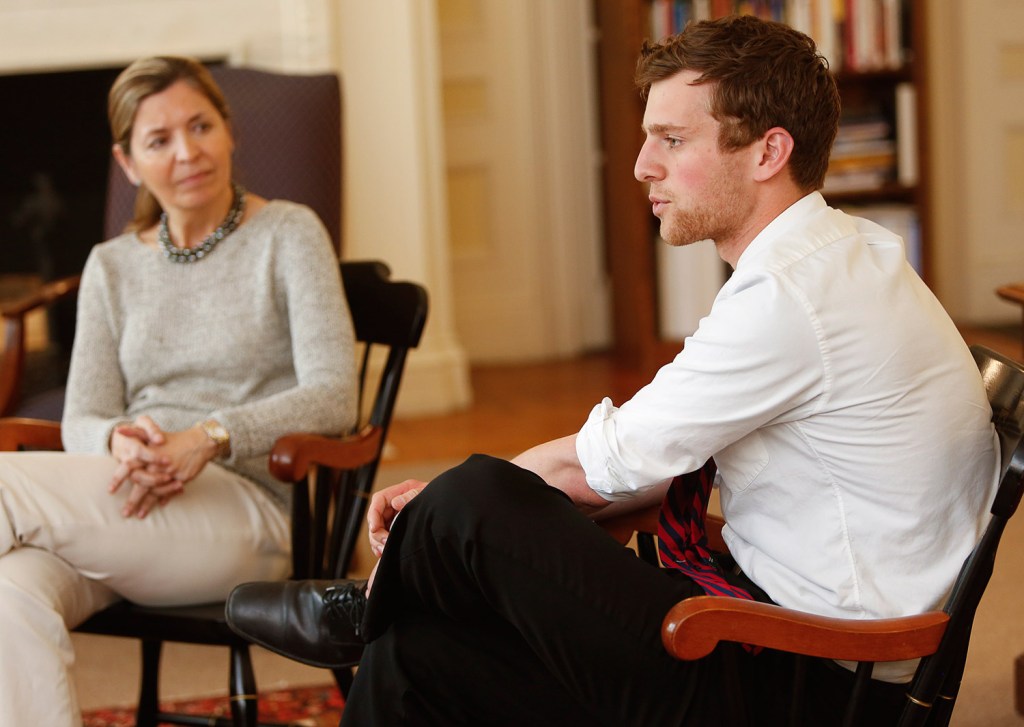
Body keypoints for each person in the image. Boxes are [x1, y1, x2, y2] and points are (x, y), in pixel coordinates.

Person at [227, 15, 1000, 726]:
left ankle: (366, 603)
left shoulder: (793, 296)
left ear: (768, 151)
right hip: (783, 636)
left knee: (475, 493)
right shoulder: (842, 253)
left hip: (811, 684)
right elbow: (659, 453)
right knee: (414, 657)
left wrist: (447, 514)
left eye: (670, 140)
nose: (640, 166)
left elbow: (604, 462)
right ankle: (377, 612)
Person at [0, 56, 357, 726]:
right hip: (124, 505)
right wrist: (117, 439)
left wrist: (210, 436)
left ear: (229, 132)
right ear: (129, 162)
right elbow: (84, 416)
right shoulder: (112, 265)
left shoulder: (288, 233)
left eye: (202, 126)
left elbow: (336, 394)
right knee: (8, 594)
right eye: (160, 139)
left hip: (248, 512)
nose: (188, 152)